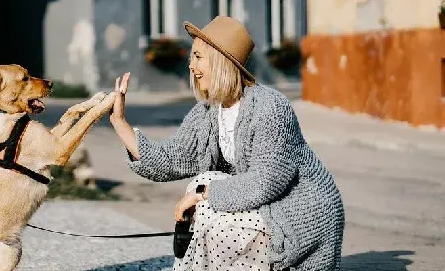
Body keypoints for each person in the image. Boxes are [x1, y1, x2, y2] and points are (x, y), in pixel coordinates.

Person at [109, 16, 344, 271]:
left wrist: (202, 197)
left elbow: (265, 182)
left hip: (299, 211)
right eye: (191, 57)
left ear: (221, 61)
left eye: (198, 57)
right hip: (264, 205)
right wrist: (120, 123)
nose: (191, 66)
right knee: (203, 182)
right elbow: (171, 158)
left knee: (206, 204)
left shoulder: (270, 107)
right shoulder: (209, 111)